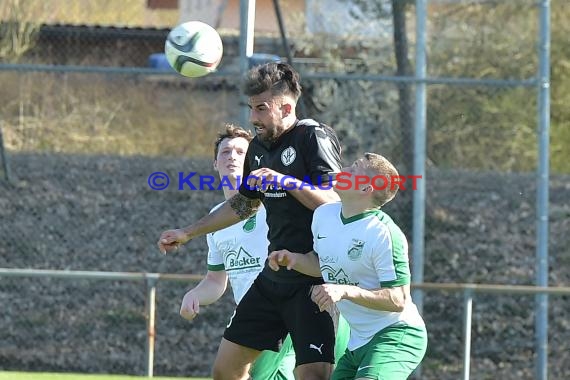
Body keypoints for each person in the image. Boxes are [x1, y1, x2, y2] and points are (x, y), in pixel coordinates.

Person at [158, 62, 348, 380]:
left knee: (312, 376)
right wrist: (188, 232)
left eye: (261, 108)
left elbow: (337, 205)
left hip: (313, 280)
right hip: (272, 280)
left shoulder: (312, 137)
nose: (252, 118)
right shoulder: (259, 148)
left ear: (286, 106)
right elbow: (245, 204)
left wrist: (286, 182)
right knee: (226, 371)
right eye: (251, 108)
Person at [268, 152, 428, 380]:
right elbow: (322, 264)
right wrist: (292, 259)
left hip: (396, 336)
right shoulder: (324, 215)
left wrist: (344, 291)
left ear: (365, 189)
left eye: (353, 171)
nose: (342, 172)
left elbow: (398, 299)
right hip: (358, 343)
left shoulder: (383, 233)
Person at [178, 124, 295, 380]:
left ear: (252, 161)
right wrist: (195, 294)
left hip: (281, 309)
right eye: (226, 152)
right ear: (215, 164)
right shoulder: (215, 219)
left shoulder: (272, 203)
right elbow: (216, 280)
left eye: (241, 152)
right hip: (251, 315)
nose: (232, 156)